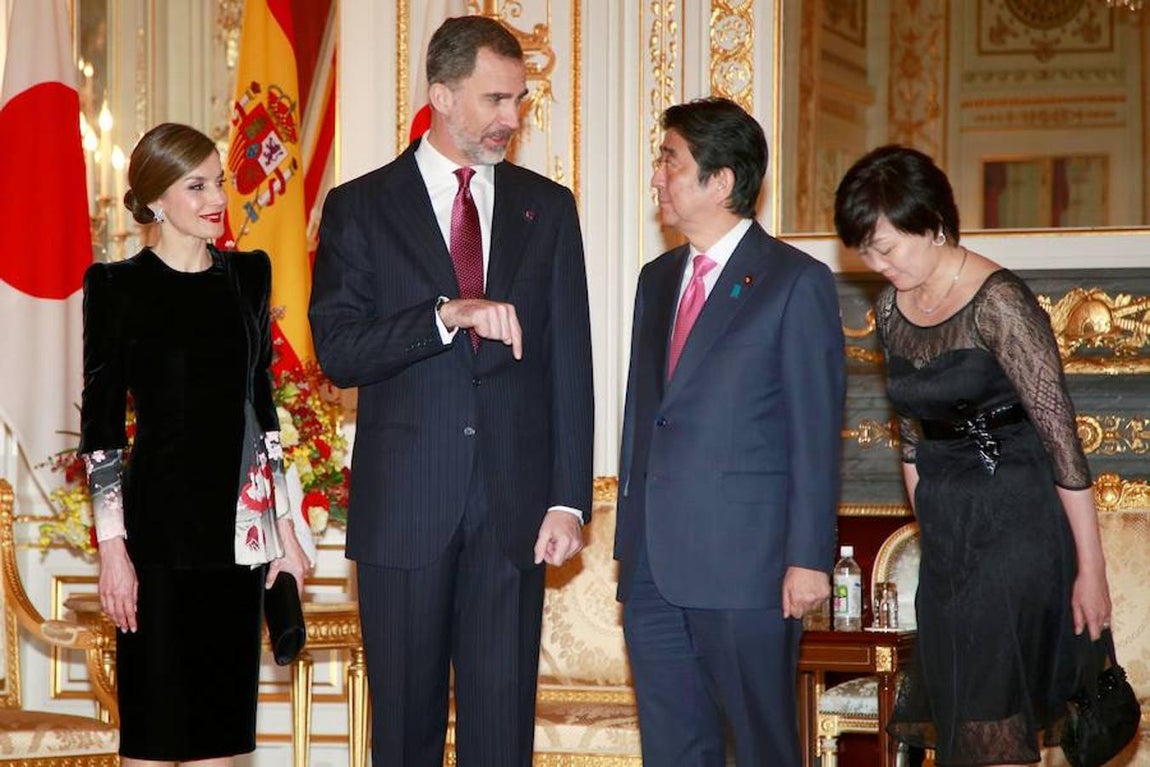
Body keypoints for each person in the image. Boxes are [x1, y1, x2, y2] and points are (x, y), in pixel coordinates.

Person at [308, 15, 593, 767]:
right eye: (496, 99)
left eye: (520, 101)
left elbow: (570, 359)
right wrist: (443, 315)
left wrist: (568, 497)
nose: (512, 118)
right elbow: (338, 351)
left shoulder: (548, 207)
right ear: (441, 94)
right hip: (403, 511)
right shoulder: (359, 207)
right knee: (404, 737)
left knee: (502, 739)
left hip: (516, 513)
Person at [833, 144, 1112, 766]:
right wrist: (931, 528)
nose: (877, 264)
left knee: (994, 724)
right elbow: (911, 433)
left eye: (887, 247)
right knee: (961, 719)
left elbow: (1062, 442)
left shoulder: (999, 302)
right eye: (866, 251)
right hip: (949, 537)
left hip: (1015, 524)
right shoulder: (890, 309)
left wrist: (1090, 570)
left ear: (933, 224)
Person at [615, 97, 846, 766]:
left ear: (719, 181)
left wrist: (809, 557)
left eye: (670, 161)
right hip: (654, 570)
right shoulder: (656, 280)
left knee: (761, 746)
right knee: (674, 748)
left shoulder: (795, 282)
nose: (657, 176)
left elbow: (815, 427)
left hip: (750, 569)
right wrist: (629, 550)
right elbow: (645, 417)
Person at [79, 123, 311, 766]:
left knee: (220, 744)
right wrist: (112, 551)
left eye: (220, 181)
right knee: (151, 744)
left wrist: (283, 530)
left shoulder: (250, 277)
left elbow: (261, 414)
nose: (217, 198)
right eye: (197, 185)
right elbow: (101, 435)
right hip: (152, 543)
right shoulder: (116, 287)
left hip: (235, 545)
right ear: (156, 202)